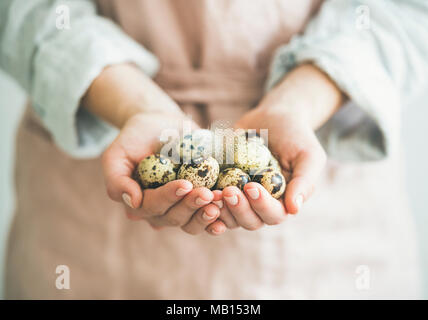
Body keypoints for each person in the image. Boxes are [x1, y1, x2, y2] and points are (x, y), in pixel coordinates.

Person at [0, 0, 426, 299]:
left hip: (331, 230)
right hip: (84, 226)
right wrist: (133, 104)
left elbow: (404, 8)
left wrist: (296, 102)